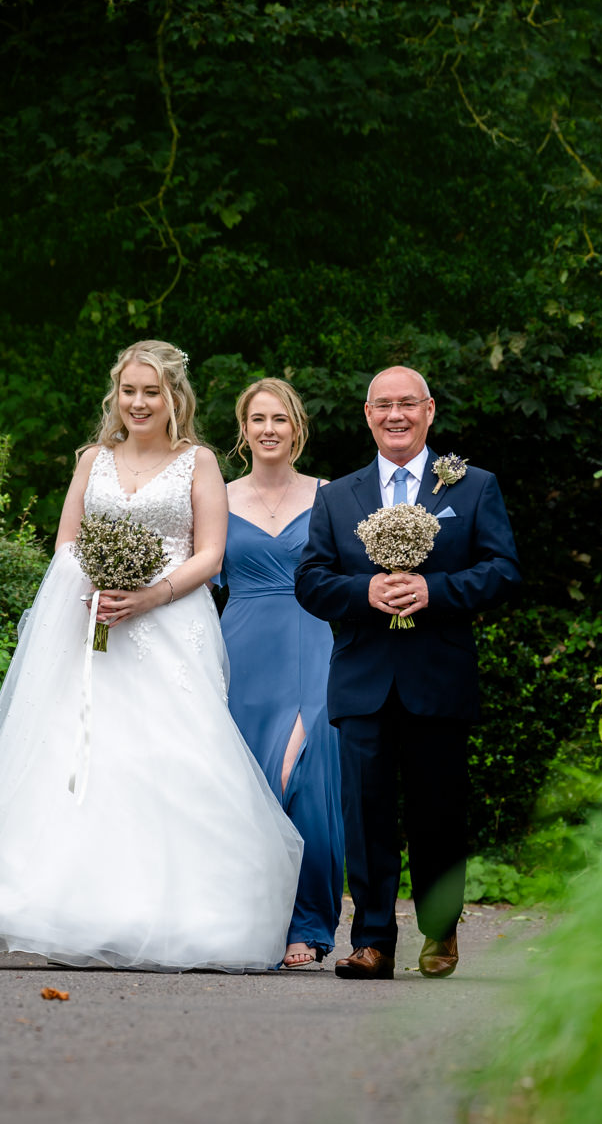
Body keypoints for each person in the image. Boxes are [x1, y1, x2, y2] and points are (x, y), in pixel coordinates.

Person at [0, 340, 302, 971]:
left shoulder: (199, 463)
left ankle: (174, 917)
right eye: (129, 390)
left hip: (169, 624)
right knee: (82, 756)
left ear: (173, 398)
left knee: (167, 757)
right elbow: (67, 545)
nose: (138, 402)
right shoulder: (92, 460)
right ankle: (70, 913)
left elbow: (210, 555)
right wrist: (97, 590)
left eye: (151, 392)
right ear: (117, 394)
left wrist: (150, 595)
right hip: (92, 624)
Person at [295, 366, 521, 980]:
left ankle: (440, 932)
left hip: (438, 676)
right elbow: (311, 581)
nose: (395, 415)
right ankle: (371, 940)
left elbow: (503, 570)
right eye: (383, 405)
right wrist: (366, 591)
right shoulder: (337, 496)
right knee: (366, 816)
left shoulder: (473, 487)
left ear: (429, 411)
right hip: (363, 677)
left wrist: (435, 589)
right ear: (367, 414)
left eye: (407, 404)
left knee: (438, 814)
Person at [218, 379, 343, 969]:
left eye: (280, 419)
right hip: (241, 649)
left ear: (297, 428)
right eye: (257, 419)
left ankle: (309, 924)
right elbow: (192, 576)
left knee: (307, 775)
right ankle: (253, 921)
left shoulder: (332, 496)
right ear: (243, 430)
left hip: (317, 640)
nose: (269, 429)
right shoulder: (214, 496)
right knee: (250, 786)